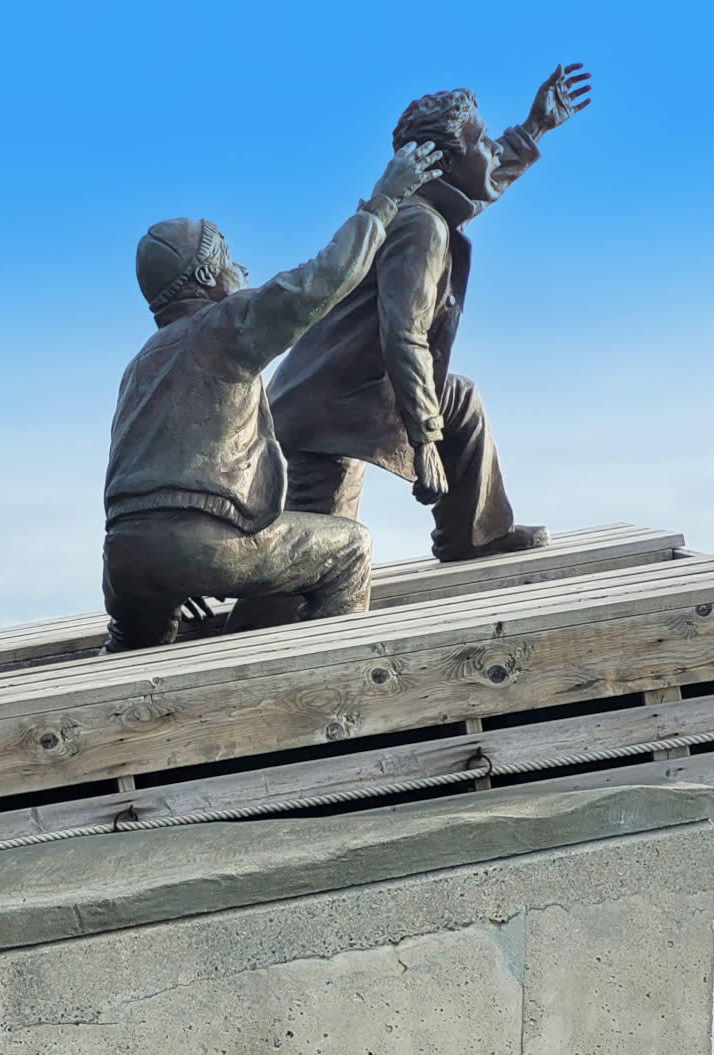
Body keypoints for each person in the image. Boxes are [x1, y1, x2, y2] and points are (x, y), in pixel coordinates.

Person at [227, 65, 593, 633]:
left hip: (344, 397)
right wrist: (424, 440)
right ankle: (245, 641)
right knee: (305, 567)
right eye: (481, 140)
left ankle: (474, 534)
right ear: (445, 163)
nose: (491, 150)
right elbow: (404, 334)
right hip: (328, 416)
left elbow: (480, 180)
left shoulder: (426, 206)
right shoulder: (419, 227)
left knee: (459, 401)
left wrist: (533, 129)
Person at [99, 139, 445, 652]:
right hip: (199, 543)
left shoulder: (141, 364)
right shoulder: (222, 326)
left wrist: (166, 562)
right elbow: (318, 282)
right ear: (205, 277)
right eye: (230, 260)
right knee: (350, 549)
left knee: (135, 648)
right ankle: (335, 682)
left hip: (125, 557)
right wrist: (382, 202)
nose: (242, 270)